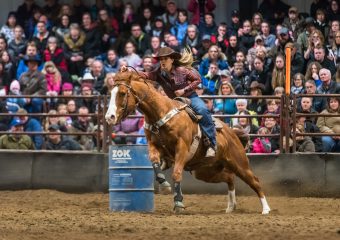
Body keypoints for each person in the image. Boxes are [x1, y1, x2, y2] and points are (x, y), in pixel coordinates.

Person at [130, 46, 217, 157]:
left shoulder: (182, 70)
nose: (162, 61)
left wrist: (184, 90)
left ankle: (212, 144)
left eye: (165, 59)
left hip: (190, 98)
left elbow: (198, 79)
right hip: (173, 101)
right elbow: (146, 75)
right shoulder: (158, 72)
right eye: (160, 59)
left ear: (171, 59)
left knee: (203, 110)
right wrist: (130, 72)